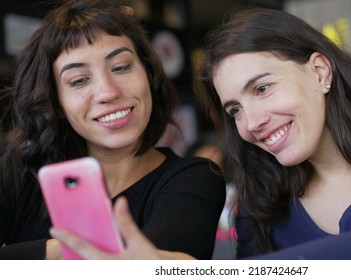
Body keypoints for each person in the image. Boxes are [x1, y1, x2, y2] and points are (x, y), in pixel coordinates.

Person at [45, 7, 351, 260]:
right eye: (235, 110)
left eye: (262, 88)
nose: (252, 122)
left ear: (319, 71)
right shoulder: (263, 199)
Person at [0, 0, 226, 260]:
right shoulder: (19, 174)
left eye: (120, 67)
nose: (108, 92)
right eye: (79, 81)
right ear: (57, 103)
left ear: (149, 75)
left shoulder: (193, 179)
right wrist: (58, 249)